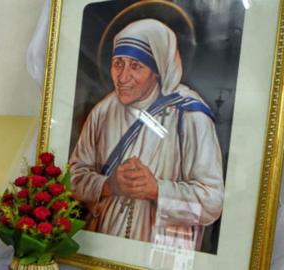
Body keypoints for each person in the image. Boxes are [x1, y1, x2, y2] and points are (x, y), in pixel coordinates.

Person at [69, 19, 224, 250]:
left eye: (136, 66)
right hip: (103, 249)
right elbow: (72, 177)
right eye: (118, 63)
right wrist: (108, 185)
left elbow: (212, 202)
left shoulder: (190, 115)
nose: (122, 77)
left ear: (158, 69)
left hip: (162, 253)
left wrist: (157, 189)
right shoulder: (103, 111)